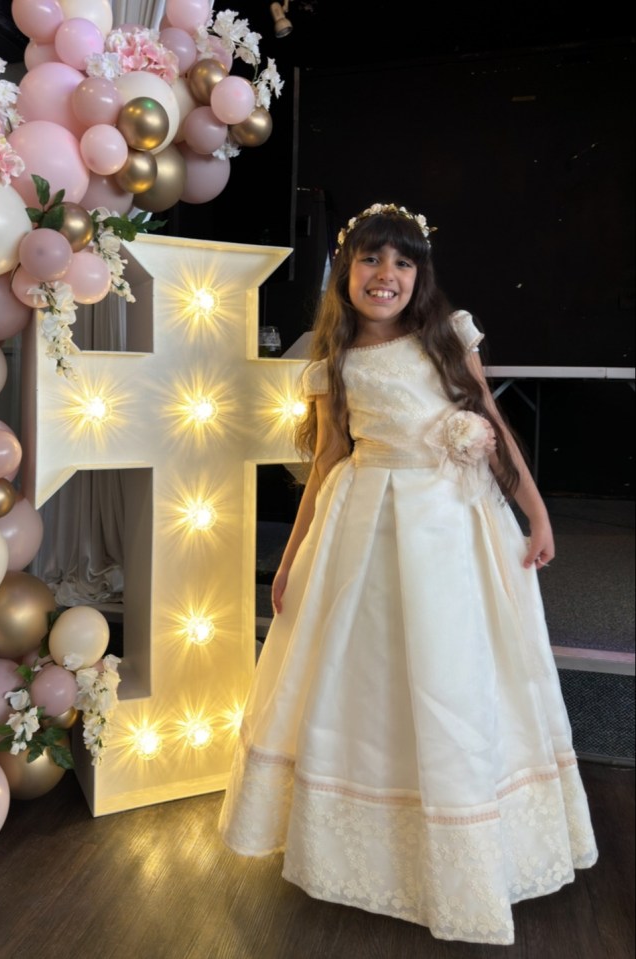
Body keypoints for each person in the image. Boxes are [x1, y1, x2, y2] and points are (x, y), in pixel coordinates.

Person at [218, 202, 598, 945]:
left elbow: (489, 423)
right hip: (368, 526)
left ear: (419, 275)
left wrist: (536, 511)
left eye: (401, 262)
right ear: (345, 271)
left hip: (455, 524)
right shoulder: (332, 360)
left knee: (456, 673)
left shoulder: (451, 337)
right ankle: (374, 845)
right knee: (370, 673)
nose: (384, 275)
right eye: (369, 259)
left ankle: (467, 839)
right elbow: (327, 460)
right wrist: (292, 552)